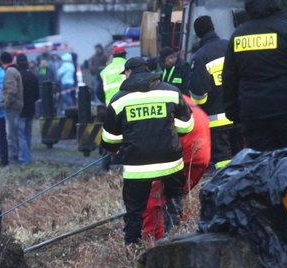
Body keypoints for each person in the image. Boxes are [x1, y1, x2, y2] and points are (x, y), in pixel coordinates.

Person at [102, 57, 194, 244]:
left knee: (135, 212)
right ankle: (177, 239)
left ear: (129, 73)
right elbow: (186, 127)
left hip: (137, 168)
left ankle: (133, 249)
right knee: (174, 201)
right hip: (171, 162)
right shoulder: (171, 92)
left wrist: (115, 150)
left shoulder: (119, 99)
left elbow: (110, 139)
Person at [223, 0, 287, 151]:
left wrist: (234, 113)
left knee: (262, 164)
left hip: (254, 114)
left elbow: (230, 79)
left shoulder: (239, 35)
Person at [143, 95, 211, 240]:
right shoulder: (182, 99)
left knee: (154, 198)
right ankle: (176, 228)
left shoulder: (154, 104)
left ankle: (153, 241)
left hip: (182, 155)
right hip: (200, 156)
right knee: (174, 196)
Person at [189, 15, 241, 171]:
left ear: (198, 34)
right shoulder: (230, 46)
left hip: (216, 121)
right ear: (213, 28)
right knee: (241, 156)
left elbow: (199, 94)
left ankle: (226, 188)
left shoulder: (200, 56)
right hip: (239, 114)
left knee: (222, 160)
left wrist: (198, 106)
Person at [0, 52, 23, 165]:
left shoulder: (9, 72)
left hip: (12, 107)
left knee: (11, 134)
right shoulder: (15, 70)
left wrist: (5, 103)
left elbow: (11, 90)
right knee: (14, 133)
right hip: (16, 106)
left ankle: (14, 159)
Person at [16, 54, 40, 165]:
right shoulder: (33, 76)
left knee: (20, 135)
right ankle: (28, 155)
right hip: (31, 108)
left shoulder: (17, 77)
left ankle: (25, 158)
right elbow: (37, 94)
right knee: (28, 134)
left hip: (20, 109)